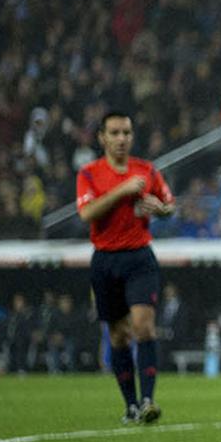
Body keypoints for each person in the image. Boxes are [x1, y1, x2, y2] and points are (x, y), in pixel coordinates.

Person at [77, 111, 175, 423]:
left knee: (143, 326)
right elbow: (87, 213)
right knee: (118, 336)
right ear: (102, 137)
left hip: (139, 258)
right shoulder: (89, 174)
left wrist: (160, 210)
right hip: (105, 260)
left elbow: (169, 205)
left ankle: (148, 400)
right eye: (115, 133)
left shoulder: (146, 171)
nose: (122, 139)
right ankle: (131, 405)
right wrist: (123, 191)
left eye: (127, 133)